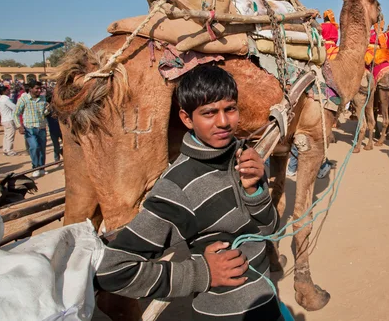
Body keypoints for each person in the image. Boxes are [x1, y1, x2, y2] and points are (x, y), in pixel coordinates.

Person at [95, 66, 283, 320]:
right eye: (209, 113)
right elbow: (113, 270)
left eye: (230, 109)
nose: (224, 122)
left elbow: (267, 231)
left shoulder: (242, 156)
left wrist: (254, 190)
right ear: (186, 118)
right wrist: (200, 273)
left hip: (265, 303)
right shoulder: (177, 187)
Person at [14, 80, 48, 178]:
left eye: (40, 88)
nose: (39, 90)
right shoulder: (23, 99)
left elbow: (44, 113)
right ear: (30, 89)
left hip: (41, 127)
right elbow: (15, 114)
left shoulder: (42, 98)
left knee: (42, 149)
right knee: (34, 147)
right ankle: (35, 167)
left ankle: (42, 168)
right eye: (37, 88)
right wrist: (19, 126)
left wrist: (48, 110)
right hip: (29, 128)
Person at [0, 86, 18, 156]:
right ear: (4, 91)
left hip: (4, 119)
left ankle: (5, 149)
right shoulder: (6, 99)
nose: (9, 91)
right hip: (9, 119)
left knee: (6, 135)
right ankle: (9, 150)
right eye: (7, 90)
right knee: (10, 135)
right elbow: (14, 107)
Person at [45, 90, 63, 162]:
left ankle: (59, 155)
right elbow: (44, 115)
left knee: (62, 144)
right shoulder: (47, 109)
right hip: (53, 130)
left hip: (60, 129)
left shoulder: (59, 108)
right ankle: (57, 158)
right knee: (56, 146)